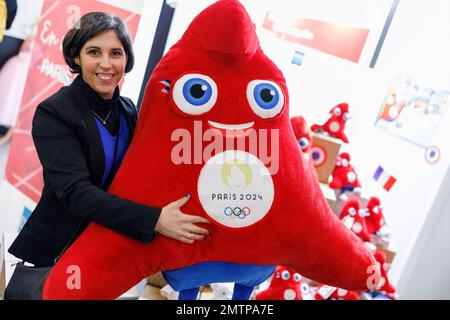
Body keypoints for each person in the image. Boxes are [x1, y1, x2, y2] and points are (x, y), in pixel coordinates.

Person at [7, 12, 211, 269]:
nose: (106, 64)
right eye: (94, 52)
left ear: (127, 59)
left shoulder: (127, 110)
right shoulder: (54, 112)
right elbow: (76, 194)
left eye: (116, 53)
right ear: (76, 56)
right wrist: (155, 220)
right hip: (58, 250)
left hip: (109, 246)